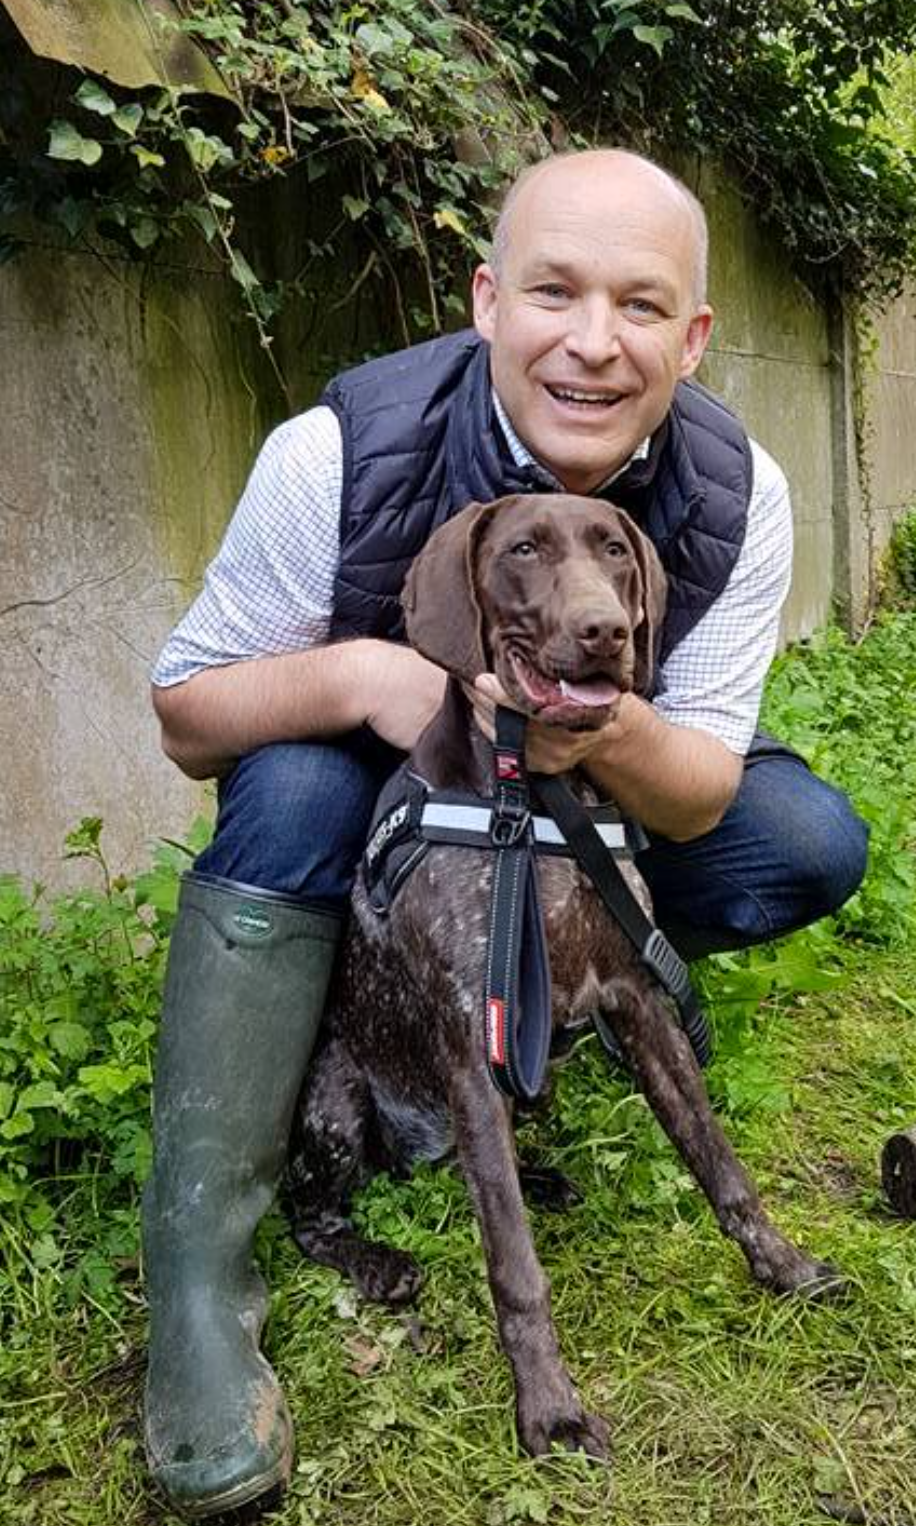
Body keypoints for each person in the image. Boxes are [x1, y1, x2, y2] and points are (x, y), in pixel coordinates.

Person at [144, 149, 868, 1516]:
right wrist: (370, 677)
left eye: (642, 306)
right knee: (289, 781)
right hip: (388, 800)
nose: (595, 342)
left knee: (801, 829)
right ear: (488, 299)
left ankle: (573, 994)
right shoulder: (339, 451)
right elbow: (185, 711)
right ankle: (195, 1273)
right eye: (555, 291)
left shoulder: (733, 491)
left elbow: (702, 781)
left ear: (692, 334)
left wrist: (588, 726)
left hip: (580, 808)